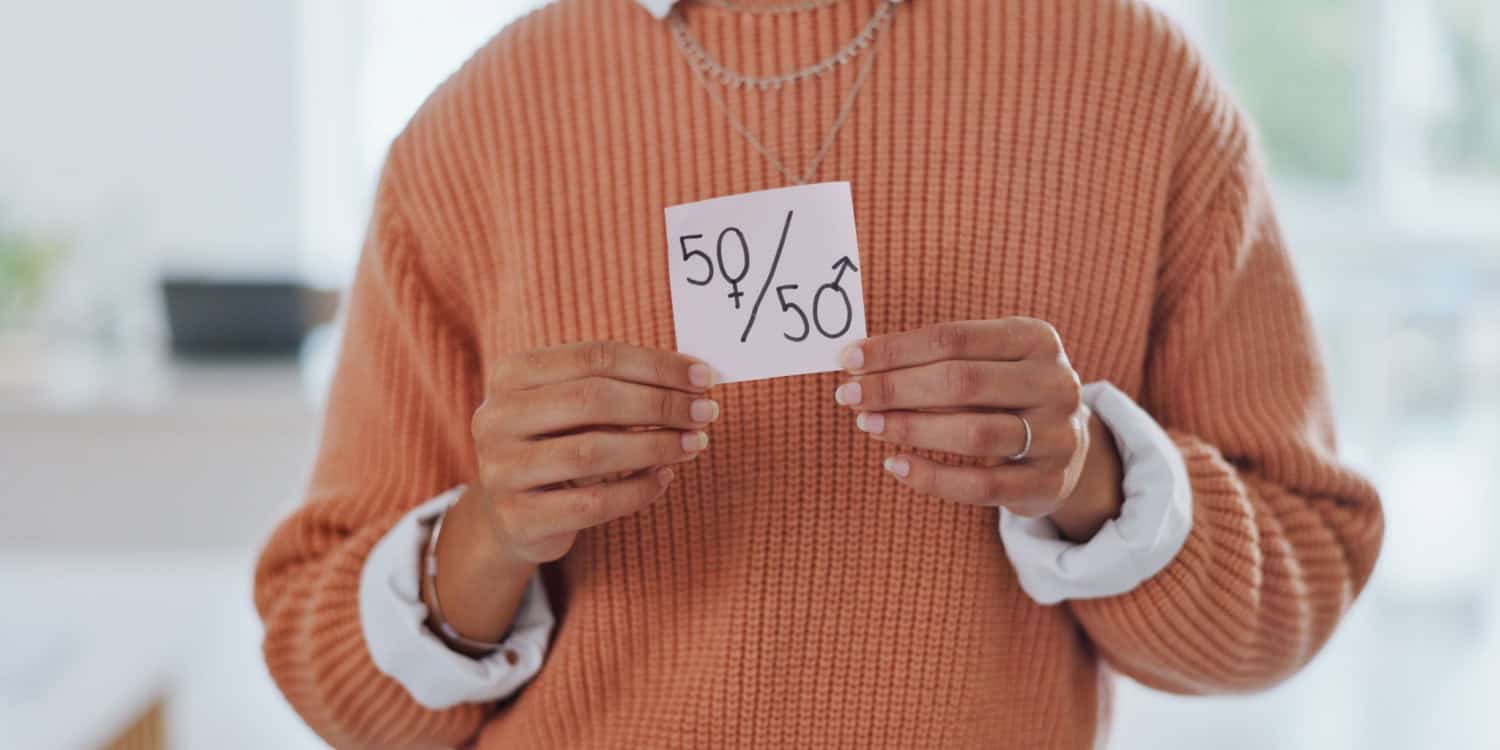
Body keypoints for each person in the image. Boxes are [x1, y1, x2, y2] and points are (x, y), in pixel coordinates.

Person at [254, 0, 1384, 747]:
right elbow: (326, 668)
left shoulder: (1135, 82)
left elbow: (1307, 569)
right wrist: (492, 535)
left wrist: (1092, 482)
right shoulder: (477, 130)